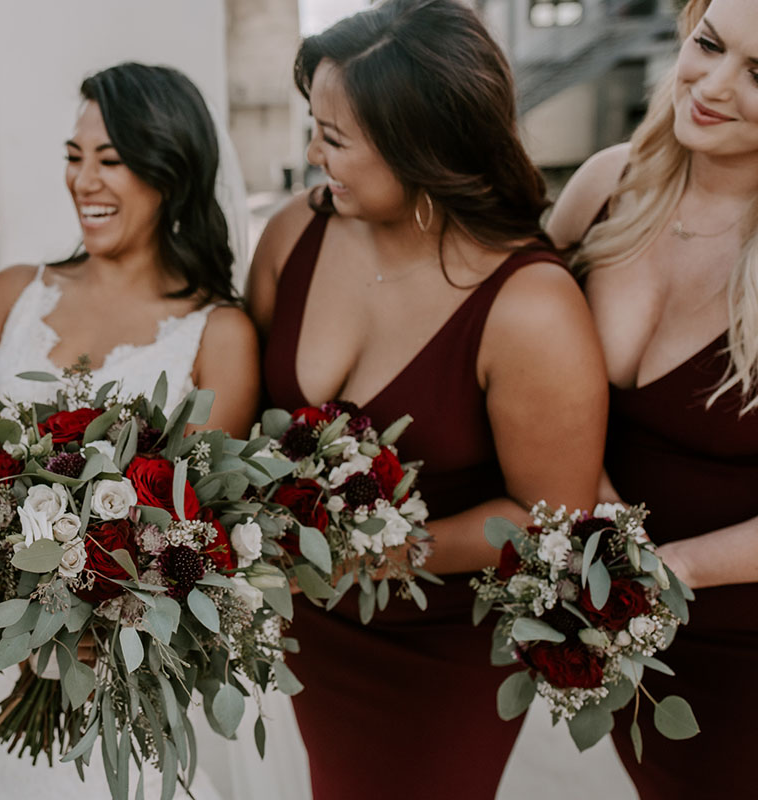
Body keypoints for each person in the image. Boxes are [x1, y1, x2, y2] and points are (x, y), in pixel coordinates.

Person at [246, 1, 609, 796]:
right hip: (313, 631)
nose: (313, 154)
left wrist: (389, 552)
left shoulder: (530, 309)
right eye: (316, 126)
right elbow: (244, 431)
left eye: (334, 138)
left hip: (442, 650)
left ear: (422, 148)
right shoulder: (290, 237)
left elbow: (552, 519)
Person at [0, 62, 289, 800]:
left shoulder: (218, 332)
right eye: (75, 158)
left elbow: (194, 529)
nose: (84, 181)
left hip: (123, 683)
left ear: (170, 170)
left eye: (111, 160)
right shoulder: (11, 293)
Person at [547, 0, 758, 795]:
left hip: (743, 647)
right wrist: (599, 518)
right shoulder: (608, 182)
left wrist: (665, 570)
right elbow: (524, 355)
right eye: (709, 44)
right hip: (625, 643)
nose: (713, 84)